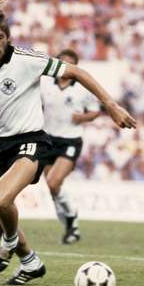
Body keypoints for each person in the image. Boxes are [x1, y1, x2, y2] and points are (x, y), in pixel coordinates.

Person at [0, 6, 136, 285]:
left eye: (0, 37)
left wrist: (111, 105)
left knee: (1, 199)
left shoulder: (28, 59)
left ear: (8, 37)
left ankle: (9, 242)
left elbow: (77, 72)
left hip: (30, 140)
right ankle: (31, 262)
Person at [41, 48, 101, 244]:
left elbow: (95, 111)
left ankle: (72, 216)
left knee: (53, 182)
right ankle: (70, 226)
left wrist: (82, 117)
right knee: (53, 189)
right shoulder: (45, 83)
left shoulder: (82, 87)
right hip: (48, 139)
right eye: (61, 62)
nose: (64, 67)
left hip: (70, 140)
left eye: (69, 63)